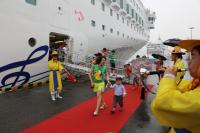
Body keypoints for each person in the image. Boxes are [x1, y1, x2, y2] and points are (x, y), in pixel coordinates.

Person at [151, 40, 200, 133]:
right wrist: (166, 71)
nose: (189, 63)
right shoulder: (196, 82)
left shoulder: (180, 63)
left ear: (176, 55)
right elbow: (187, 85)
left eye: (193, 56)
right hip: (172, 88)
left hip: (172, 89)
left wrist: (168, 77)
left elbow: (161, 102)